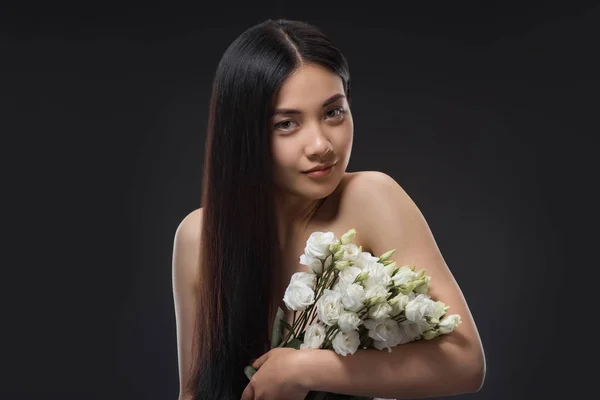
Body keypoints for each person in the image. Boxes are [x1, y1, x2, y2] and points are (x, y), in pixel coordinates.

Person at [172, 18, 486, 400]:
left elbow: (464, 362)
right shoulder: (199, 237)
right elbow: (193, 391)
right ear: (243, 136)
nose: (321, 144)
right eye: (286, 124)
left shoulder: (371, 198)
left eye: (333, 112)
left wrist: (304, 370)